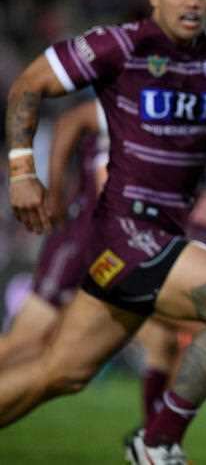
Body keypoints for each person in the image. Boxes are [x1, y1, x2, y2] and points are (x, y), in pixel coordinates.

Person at [3, 0, 206, 465]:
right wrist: (23, 172)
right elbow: (30, 83)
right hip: (126, 231)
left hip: (166, 236)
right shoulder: (120, 44)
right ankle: (158, 441)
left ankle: (156, 441)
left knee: (58, 373)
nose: (192, 1)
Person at [0, 99, 107, 369]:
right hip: (83, 238)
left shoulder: (195, 100)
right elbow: (68, 121)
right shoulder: (130, 96)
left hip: (131, 243)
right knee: (26, 344)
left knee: (69, 368)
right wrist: (56, 195)